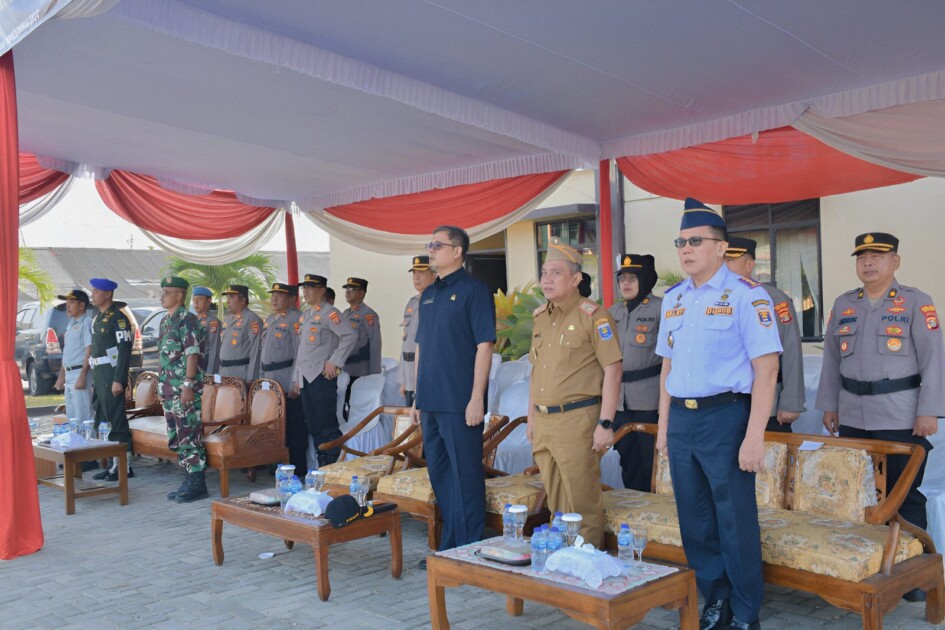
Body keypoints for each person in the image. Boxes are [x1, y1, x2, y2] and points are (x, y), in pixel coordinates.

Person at [655, 198, 781, 630]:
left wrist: (754, 435)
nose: (686, 249)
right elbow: (667, 368)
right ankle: (717, 598)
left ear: (722, 247)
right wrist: (664, 426)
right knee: (694, 517)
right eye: (681, 242)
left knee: (734, 517)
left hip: (726, 417)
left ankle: (745, 609)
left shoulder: (747, 295)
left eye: (696, 241)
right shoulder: (674, 298)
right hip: (683, 420)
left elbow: (767, 369)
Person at [816, 233, 944, 601]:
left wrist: (929, 410)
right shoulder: (844, 304)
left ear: (895, 262)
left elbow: (934, 359)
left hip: (900, 415)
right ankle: (871, 567)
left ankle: (914, 577)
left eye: (877, 256)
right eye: (862, 258)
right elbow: (831, 360)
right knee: (861, 494)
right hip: (853, 415)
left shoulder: (917, 302)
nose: (868, 263)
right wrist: (829, 405)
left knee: (905, 495)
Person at [528, 241, 622, 548]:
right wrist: (532, 418)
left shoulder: (593, 316)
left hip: (577, 420)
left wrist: (605, 423)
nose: (547, 280)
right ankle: (563, 561)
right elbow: (536, 371)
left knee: (583, 505)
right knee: (557, 504)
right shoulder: (540, 317)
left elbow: (613, 370)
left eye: (556, 273)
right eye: (544, 273)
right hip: (544, 422)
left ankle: (587, 565)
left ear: (576, 279)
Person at [413, 225, 495, 561]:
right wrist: (417, 397)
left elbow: (485, 346)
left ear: (457, 251)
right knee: (441, 475)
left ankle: (470, 547)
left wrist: (477, 398)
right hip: (431, 400)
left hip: (460, 401)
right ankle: (451, 546)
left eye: (437, 245)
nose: (431, 250)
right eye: (430, 244)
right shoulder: (429, 294)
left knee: (466, 475)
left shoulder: (475, 291)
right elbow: (422, 347)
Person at [725, 236, 805, 432]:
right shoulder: (713, 300)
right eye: (722, 260)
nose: (724, 266)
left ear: (749, 264)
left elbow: (791, 350)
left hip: (767, 402)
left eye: (731, 260)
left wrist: (791, 402)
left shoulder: (774, 299)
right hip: (724, 405)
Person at [608, 254, 662, 491]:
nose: (626, 283)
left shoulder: (661, 308)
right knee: (628, 460)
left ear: (645, 279)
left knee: (653, 461)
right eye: (622, 279)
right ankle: (634, 504)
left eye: (632, 278)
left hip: (650, 399)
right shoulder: (613, 311)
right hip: (620, 401)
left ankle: (654, 507)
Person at [291, 274, 357, 466]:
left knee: (326, 425)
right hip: (305, 377)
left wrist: (334, 362)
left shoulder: (330, 313)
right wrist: (296, 377)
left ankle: (333, 468)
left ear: (321, 290)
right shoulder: (306, 315)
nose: (305, 291)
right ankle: (322, 467)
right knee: (313, 425)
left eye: (310, 287)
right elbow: (301, 350)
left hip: (321, 377)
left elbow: (349, 336)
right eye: (304, 288)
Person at [157, 277, 208, 503]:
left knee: (189, 436)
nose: (162, 296)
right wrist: (161, 386)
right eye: (162, 291)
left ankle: (198, 484)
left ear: (179, 295)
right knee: (176, 437)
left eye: (166, 292)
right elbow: (164, 357)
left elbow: (192, 354)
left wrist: (188, 384)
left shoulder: (187, 319)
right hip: (169, 389)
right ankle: (187, 479)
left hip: (183, 390)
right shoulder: (165, 321)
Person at [89, 278, 135, 481]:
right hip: (100, 373)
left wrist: (119, 379)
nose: (93, 294)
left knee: (116, 420)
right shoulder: (99, 318)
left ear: (108, 294)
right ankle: (112, 464)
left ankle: (124, 466)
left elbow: (124, 351)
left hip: (111, 374)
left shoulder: (118, 318)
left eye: (96, 291)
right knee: (103, 419)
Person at [261, 282, 306, 476]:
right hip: (269, 377)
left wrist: (295, 381)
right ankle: (276, 460)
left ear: (291, 298)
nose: (274, 299)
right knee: (273, 422)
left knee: (292, 423)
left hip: (286, 376)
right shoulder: (270, 319)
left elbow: (299, 353)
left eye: (279, 295)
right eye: (273, 295)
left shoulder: (296, 319)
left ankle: (297, 465)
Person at [342, 277, 382, 419]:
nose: (348, 292)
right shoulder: (344, 314)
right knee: (343, 405)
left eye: (352, 289)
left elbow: (375, 343)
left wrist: (374, 374)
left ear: (361, 293)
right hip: (344, 369)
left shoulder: (368, 314)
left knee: (358, 407)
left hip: (360, 370)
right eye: (347, 289)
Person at [53, 289, 94, 427]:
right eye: (67, 302)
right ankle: (76, 439)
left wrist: (83, 375)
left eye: (71, 302)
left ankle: (88, 440)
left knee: (83, 415)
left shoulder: (87, 323)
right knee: (72, 417)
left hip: (80, 372)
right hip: (69, 373)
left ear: (82, 305)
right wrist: (61, 376)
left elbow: (89, 349)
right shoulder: (71, 324)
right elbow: (67, 352)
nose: (67, 306)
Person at [400, 256, 436, 407]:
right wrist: (404, 379)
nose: (416, 277)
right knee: (411, 416)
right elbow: (405, 341)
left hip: (427, 373)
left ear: (434, 274)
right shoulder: (412, 303)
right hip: (410, 374)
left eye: (421, 272)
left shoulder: (437, 301)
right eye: (414, 273)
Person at [218, 285, 263, 382]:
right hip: (223, 372)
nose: (227, 301)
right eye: (227, 297)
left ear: (242, 300)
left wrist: (252, 378)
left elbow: (256, 351)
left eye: (231, 297)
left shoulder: (252, 320)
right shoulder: (228, 320)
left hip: (240, 373)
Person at [192, 286, 221, 375]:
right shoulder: (192, 319)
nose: (196, 303)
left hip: (205, 367)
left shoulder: (213, 321)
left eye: (200, 299)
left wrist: (210, 374)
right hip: (192, 366)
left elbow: (214, 350)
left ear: (209, 301)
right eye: (194, 300)